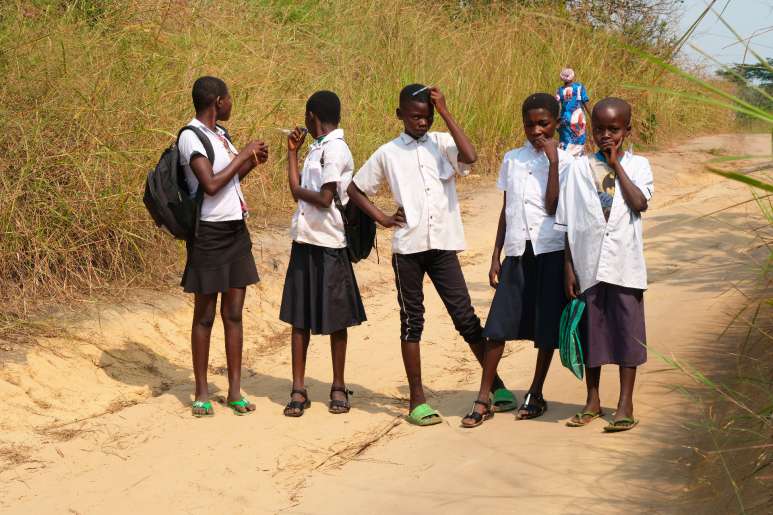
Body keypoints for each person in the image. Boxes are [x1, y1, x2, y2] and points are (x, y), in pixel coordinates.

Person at [347, 84, 515, 426]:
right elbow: (353, 187)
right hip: (407, 249)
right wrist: (380, 217)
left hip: (442, 246)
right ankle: (417, 400)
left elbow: (470, 157)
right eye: (414, 116)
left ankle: (494, 386)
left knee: (465, 317)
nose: (422, 122)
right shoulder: (387, 153)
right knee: (412, 322)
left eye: (427, 116)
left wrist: (447, 112)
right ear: (399, 116)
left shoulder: (442, 143)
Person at [461, 93, 573, 428]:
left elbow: (554, 208)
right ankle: (484, 396)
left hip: (550, 251)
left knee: (545, 328)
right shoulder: (512, 159)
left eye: (544, 124)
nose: (536, 130)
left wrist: (553, 162)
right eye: (530, 124)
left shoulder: (568, 162)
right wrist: (496, 254)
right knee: (497, 327)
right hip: (517, 251)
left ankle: (536, 392)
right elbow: (507, 209)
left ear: (557, 124)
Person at [556, 97, 653, 432]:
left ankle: (625, 403)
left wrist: (617, 166)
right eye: (599, 129)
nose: (606, 135)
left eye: (614, 129)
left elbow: (639, 202)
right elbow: (568, 222)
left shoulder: (639, 166)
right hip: (588, 264)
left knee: (628, 333)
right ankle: (592, 400)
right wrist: (569, 268)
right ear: (590, 130)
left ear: (627, 130)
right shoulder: (578, 168)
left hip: (625, 264)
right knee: (591, 333)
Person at [178, 76, 269, 417]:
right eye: (229, 98)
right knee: (204, 315)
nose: (232, 103)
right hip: (209, 236)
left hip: (235, 232)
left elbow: (229, 181)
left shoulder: (221, 135)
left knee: (233, 313)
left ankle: (234, 391)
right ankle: (201, 392)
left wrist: (250, 161)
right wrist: (242, 154)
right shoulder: (191, 137)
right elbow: (211, 184)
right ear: (217, 101)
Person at [279, 90, 366, 417]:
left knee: (337, 319)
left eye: (306, 115)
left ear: (312, 115)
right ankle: (298, 388)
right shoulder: (316, 149)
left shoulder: (337, 149)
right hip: (305, 240)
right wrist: (292, 154)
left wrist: (296, 188)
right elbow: (308, 191)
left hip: (330, 243)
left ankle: (338, 386)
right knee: (299, 318)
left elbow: (326, 197)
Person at [555, 68, 590, 157]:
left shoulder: (559, 90)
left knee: (565, 143)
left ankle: (566, 163)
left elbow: (558, 106)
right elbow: (585, 101)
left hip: (565, 119)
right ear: (572, 76)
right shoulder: (579, 87)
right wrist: (592, 115)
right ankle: (577, 163)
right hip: (578, 119)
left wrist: (557, 120)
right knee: (579, 142)